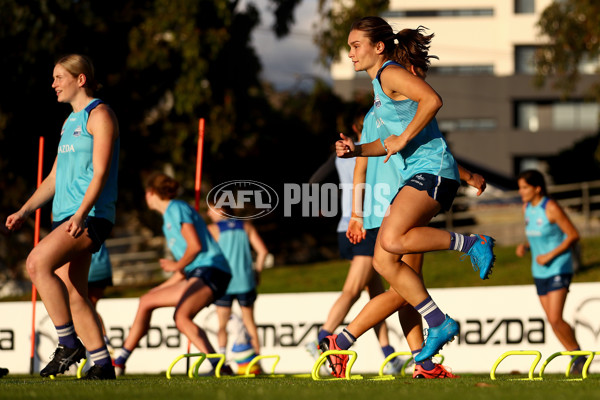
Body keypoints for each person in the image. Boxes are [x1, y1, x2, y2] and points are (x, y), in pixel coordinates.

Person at [323, 16, 496, 377]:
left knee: (390, 243)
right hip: (420, 175)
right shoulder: (379, 88)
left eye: (356, 45)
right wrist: (355, 151)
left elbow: (433, 100)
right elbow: (388, 143)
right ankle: (437, 325)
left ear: (378, 47)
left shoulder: (388, 73)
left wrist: (401, 142)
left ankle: (472, 243)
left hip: (432, 172)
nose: (351, 52)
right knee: (386, 262)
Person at [5, 54, 119, 379]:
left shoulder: (100, 115)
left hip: (90, 214)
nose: (53, 84)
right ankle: (102, 364)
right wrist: (25, 210)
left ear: (80, 79)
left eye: (59, 77)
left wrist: (82, 213)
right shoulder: (69, 122)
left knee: (36, 263)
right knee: (73, 292)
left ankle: (68, 344)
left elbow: (100, 173)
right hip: (66, 215)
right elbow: (54, 178)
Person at [307, 111, 406, 374]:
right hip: (365, 225)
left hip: (348, 226)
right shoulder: (376, 149)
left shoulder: (342, 154)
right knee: (351, 291)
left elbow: (315, 180)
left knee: (375, 294)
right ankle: (322, 340)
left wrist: (319, 205)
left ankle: (390, 356)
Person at [112, 172, 233, 376]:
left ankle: (219, 366)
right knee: (146, 301)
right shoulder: (168, 218)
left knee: (181, 317)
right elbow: (185, 269)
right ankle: (120, 362)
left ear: (151, 193)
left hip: (212, 270)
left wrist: (175, 266)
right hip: (198, 273)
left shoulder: (177, 208)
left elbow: (194, 247)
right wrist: (158, 289)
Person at [515, 169, 586, 374]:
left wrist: (550, 255)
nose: (521, 192)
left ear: (537, 188)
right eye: (520, 188)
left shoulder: (551, 207)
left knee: (555, 318)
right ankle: (576, 356)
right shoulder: (526, 207)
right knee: (552, 321)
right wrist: (526, 246)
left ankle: (578, 357)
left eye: (525, 188)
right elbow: (536, 233)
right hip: (539, 271)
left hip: (558, 267)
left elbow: (573, 235)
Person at [206, 205, 268, 373]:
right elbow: (263, 251)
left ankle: (220, 364)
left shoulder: (212, 229)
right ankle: (257, 364)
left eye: (210, 209)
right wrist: (257, 273)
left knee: (222, 325)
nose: (207, 213)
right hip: (246, 281)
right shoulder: (246, 226)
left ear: (220, 210)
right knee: (249, 323)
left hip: (224, 283)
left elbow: (206, 254)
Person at [88, 244, 114, 353]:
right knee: (91, 308)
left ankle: (72, 351)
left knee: (78, 310)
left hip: (88, 268)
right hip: (103, 266)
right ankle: (105, 342)